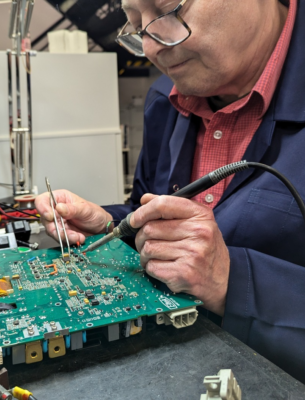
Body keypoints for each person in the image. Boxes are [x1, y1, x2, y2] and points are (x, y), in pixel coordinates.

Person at [35, 0, 305, 382]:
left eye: (168, 10)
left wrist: (233, 281)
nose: (150, 47)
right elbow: (151, 210)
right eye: (135, 24)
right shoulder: (166, 99)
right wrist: (112, 224)